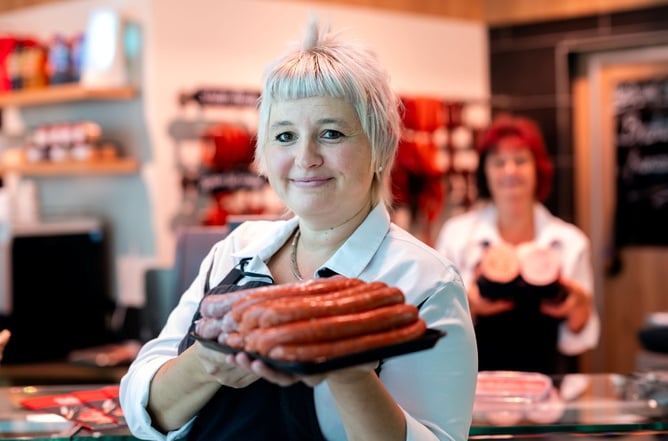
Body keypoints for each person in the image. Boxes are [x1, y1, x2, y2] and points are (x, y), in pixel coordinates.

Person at [119, 17, 478, 441]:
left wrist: (349, 373)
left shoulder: (425, 281)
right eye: (285, 136)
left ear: (380, 148)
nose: (305, 158)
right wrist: (207, 364)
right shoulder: (235, 251)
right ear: (265, 155)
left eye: (330, 133)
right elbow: (143, 410)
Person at [435, 115, 599, 374]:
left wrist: (580, 307)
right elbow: (438, 327)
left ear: (538, 168)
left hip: (547, 387)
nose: (510, 170)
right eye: (499, 162)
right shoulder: (457, 236)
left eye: (520, 160)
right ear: (485, 172)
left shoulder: (570, 242)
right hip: (474, 385)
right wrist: (468, 307)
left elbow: (576, 342)